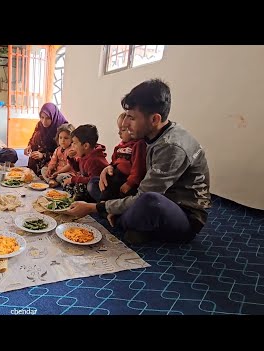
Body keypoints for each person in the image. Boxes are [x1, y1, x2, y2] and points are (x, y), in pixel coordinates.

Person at [67, 79, 211, 244]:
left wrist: (93, 207)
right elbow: (133, 170)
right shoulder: (150, 135)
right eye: (126, 116)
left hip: (183, 213)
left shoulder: (171, 147)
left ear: (154, 119)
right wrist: (108, 169)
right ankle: (131, 221)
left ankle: (123, 219)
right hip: (151, 194)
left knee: (148, 202)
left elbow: (147, 195)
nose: (126, 124)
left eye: (132, 118)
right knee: (96, 183)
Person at [87, 112, 146, 201]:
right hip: (114, 175)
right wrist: (110, 167)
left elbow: (138, 168)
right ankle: (106, 203)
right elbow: (113, 162)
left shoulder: (138, 144)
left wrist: (129, 183)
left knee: (109, 190)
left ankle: (105, 206)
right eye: (119, 129)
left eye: (123, 130)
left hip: (124, 179)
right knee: (93, 182)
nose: (119, 133)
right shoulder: (119, 146)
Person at [61, 124, 109, 201]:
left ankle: (82, 203)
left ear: (86, 146)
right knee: (67, 181)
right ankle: (73, 198)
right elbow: (77, 169)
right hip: (87, 184)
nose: (72, 146)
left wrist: (73, 179)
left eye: (75, 143)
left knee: (79, 186)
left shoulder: (94, 160)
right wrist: (71, 158)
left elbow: (91, 180)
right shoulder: (85, 154)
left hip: (97, 190)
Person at [24, 103, 68, 175]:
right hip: (37, 158)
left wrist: (43, 155)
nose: (44, 121)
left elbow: (63, 151)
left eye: (48, 118)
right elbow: (33, 138)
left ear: (53, 116)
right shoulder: (40, 124)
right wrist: (29, 146)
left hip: (53, 162)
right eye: (42, 117)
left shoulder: (62, 128)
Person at [41, 123, 76, 188]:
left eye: (66, 138)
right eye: (60, 138)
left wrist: (57, 173)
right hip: (56, 172)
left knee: (61, 177)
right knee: (44, 169)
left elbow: (69, 166)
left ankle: (57, 182)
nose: (63, 140)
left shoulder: (72, 150)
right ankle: (51, 181)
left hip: (68, 173)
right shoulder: (57, 149)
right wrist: (49, 169)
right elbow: (52, 162)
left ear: (72, 139)